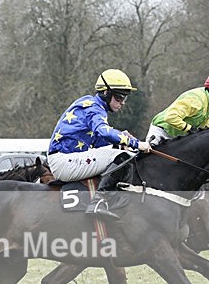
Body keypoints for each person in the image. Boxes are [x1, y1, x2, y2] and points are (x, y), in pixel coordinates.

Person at [47, 68, 150, 217]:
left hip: (68, 158)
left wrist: (124, 139)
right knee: (124, 156)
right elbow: (104, 132)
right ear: (106, 93)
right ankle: (99, 202)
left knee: (124, 153)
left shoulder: (92, 105)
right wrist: (136, 144)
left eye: (125, 98)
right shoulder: (94, 108)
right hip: (64, 161)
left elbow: (100, 141)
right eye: (120, 97)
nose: (123, 103)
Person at [145, 68, 209, 145]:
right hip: (161, 133)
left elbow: (203, 129)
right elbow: (170, 117)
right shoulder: (196, 100)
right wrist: (190, 129)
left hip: (177, 138)